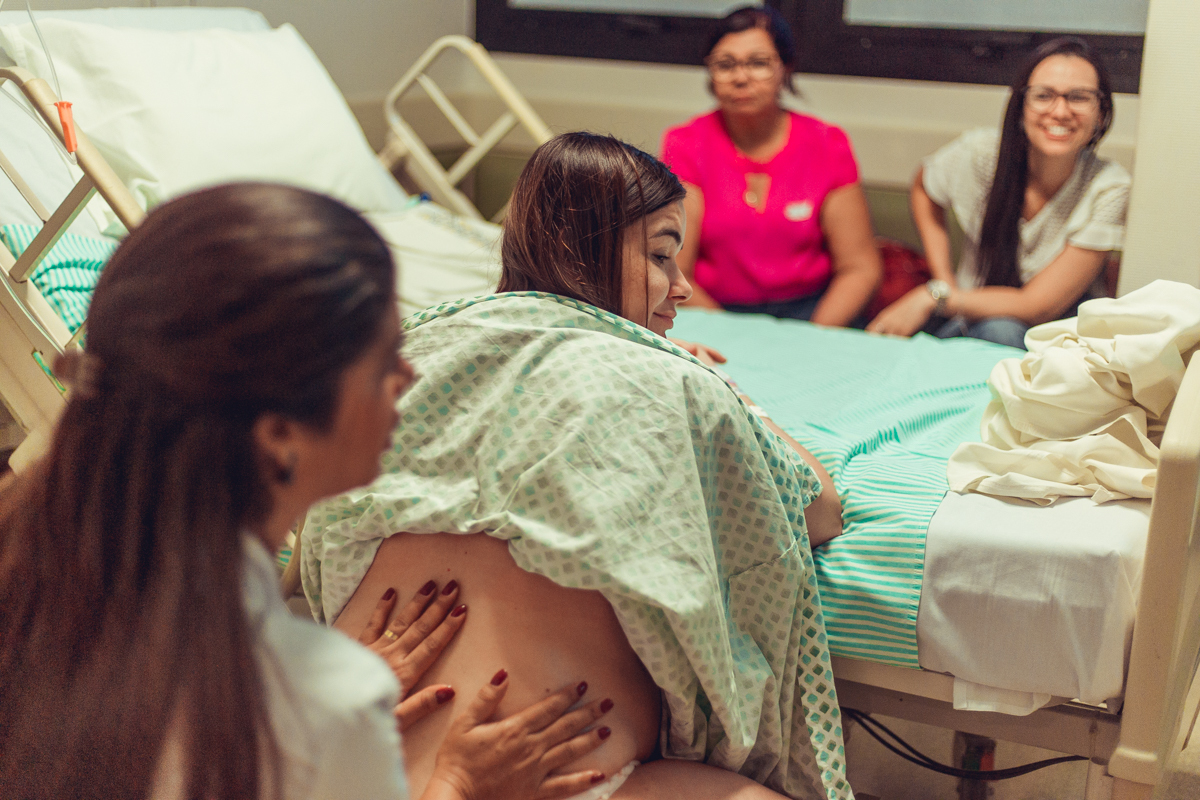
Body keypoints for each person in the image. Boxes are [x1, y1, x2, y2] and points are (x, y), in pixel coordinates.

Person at [0, 183, 613, 800]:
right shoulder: (325, 701)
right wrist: (454, 785)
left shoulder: (36, 577)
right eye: (384, 362)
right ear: (282, 435)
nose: (410, 376)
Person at [302, 133, 852, 800]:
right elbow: (816, 509)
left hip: (348, 763)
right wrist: (726, 394)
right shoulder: (669, 386)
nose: (680, 287)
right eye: (659, 255)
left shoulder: (415, 352)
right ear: (575, 250)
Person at [867, 37, 1130, 349]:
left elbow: (1036, 306)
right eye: (1043, 96)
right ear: (1020, 107)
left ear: (1101, 113)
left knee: (1001, 330)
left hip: (1056, 342)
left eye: (1079, 97)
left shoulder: (1108, 186)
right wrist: (943, 280)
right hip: (966, 317)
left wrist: (936, 297)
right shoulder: (981, 154)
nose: (1060, 111)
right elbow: (924, 186)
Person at [660, 6, 882, 326]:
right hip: (712, 312)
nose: (740, 78)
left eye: (758, 63)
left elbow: (860, 268)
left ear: (785, 68)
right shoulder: (685, 144)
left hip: (812, 313)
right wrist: (736, 336)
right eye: (725, 65)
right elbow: (676, 270)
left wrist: (812, 336)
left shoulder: (826, 143)